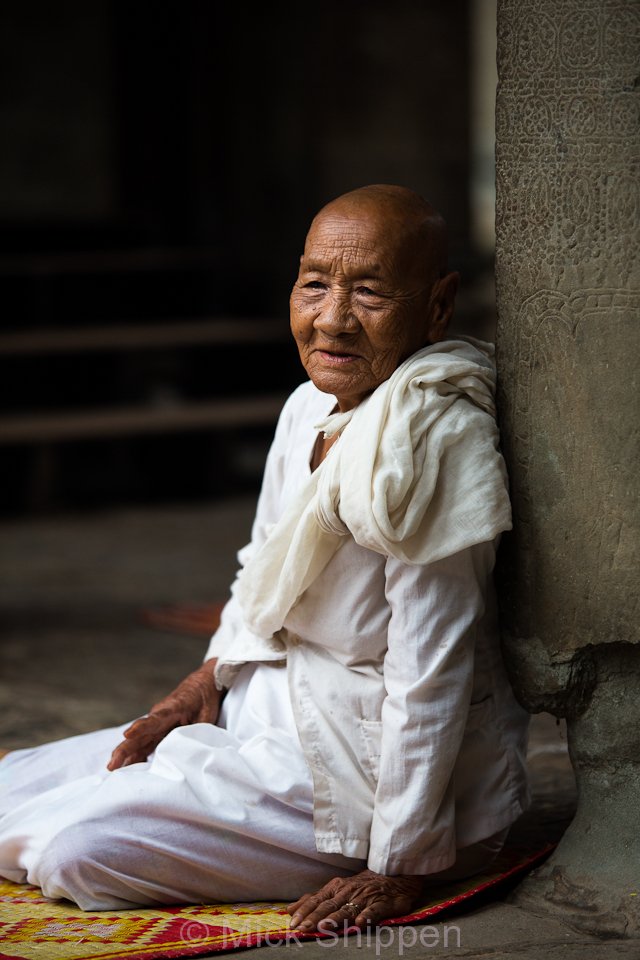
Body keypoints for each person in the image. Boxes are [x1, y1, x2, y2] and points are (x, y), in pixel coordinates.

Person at [0, 184, 530, 932]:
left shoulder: (435, 439)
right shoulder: (305, 408)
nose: (332, 318)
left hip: (368, 769)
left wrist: (401, 862)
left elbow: (432, 670)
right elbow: (260, 569)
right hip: (267, 712)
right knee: (7, 796)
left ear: (439, 305)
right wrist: (205, 679)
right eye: (315, 284)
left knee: (73, 854)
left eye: (371, 292)